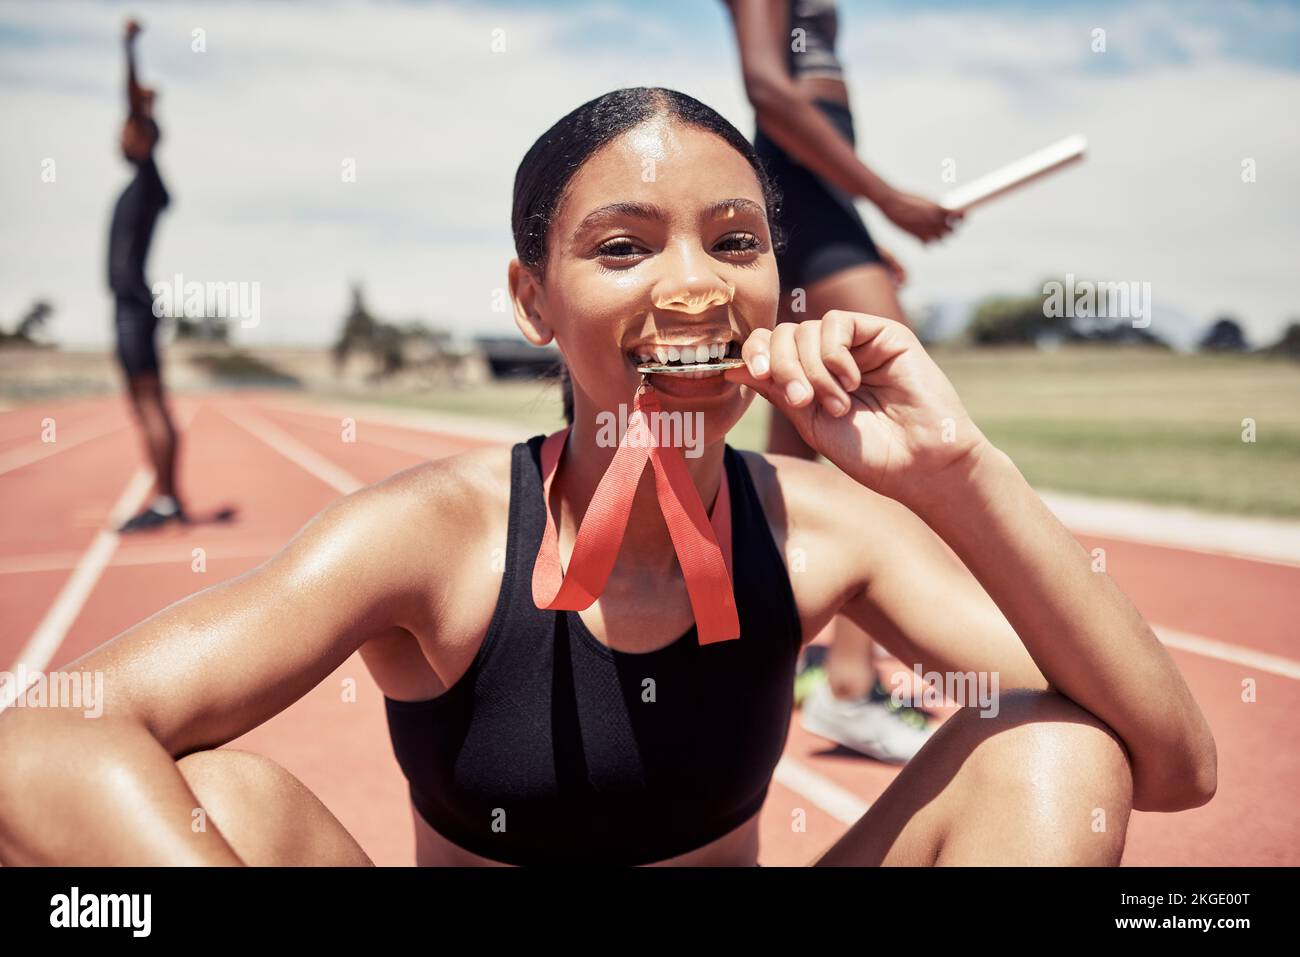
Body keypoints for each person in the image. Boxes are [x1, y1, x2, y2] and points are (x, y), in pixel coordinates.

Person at [0, 88, 1214, 867]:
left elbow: (1171, 764)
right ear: (533, 300)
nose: (691, 285)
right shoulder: (433, 537)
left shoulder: (826, 532)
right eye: (622, 248)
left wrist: (953, 471)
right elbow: (38, 744)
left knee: (1053, 751)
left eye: (734, 242)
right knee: (226, 798)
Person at [723, 0, 963, 762]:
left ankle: (740, 659)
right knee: (902, 432)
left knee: (794, 459)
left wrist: (861, 234)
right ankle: (851, 689)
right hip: (806, 199)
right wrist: (883, 200)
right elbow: (768, 89)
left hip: (821, 209)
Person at [109, 18, 187, 532]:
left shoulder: (145, 176)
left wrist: (128, 48)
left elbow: (133, 106)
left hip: (134, 308)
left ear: (142, 138)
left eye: (127, 128)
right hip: (133, 307)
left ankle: (164, 502)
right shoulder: (146, 184)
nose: (119, 134)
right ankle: (169, 498)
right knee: (148, 404)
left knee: (149, 404)